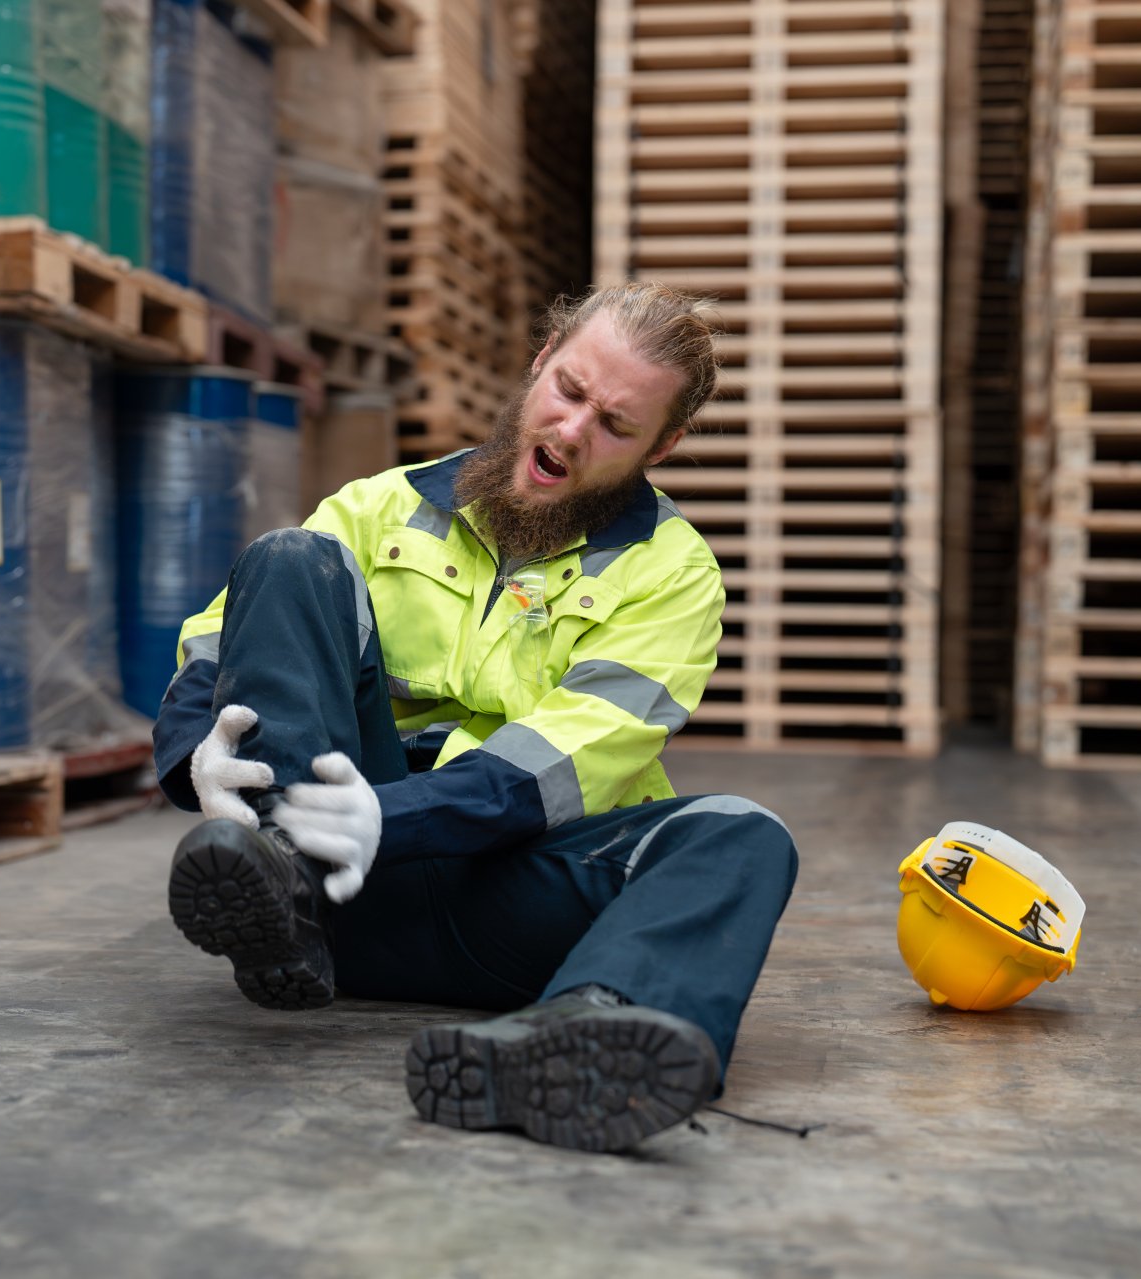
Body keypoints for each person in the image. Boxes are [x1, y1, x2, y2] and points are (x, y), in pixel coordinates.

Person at [153, 283, 799, 1154]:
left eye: (615, 424)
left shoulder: (671, 572)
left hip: (513, 898)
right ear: (540, 362)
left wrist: (397, 814)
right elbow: (217, 635)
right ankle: (284, 891)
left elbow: (578, 752)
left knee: (745, 834)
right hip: (334, 885)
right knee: (289, 556)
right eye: (570, 391)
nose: (572, 433)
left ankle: (580, 1028)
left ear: (664, 445)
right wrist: (201, 752)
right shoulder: (378, 508)